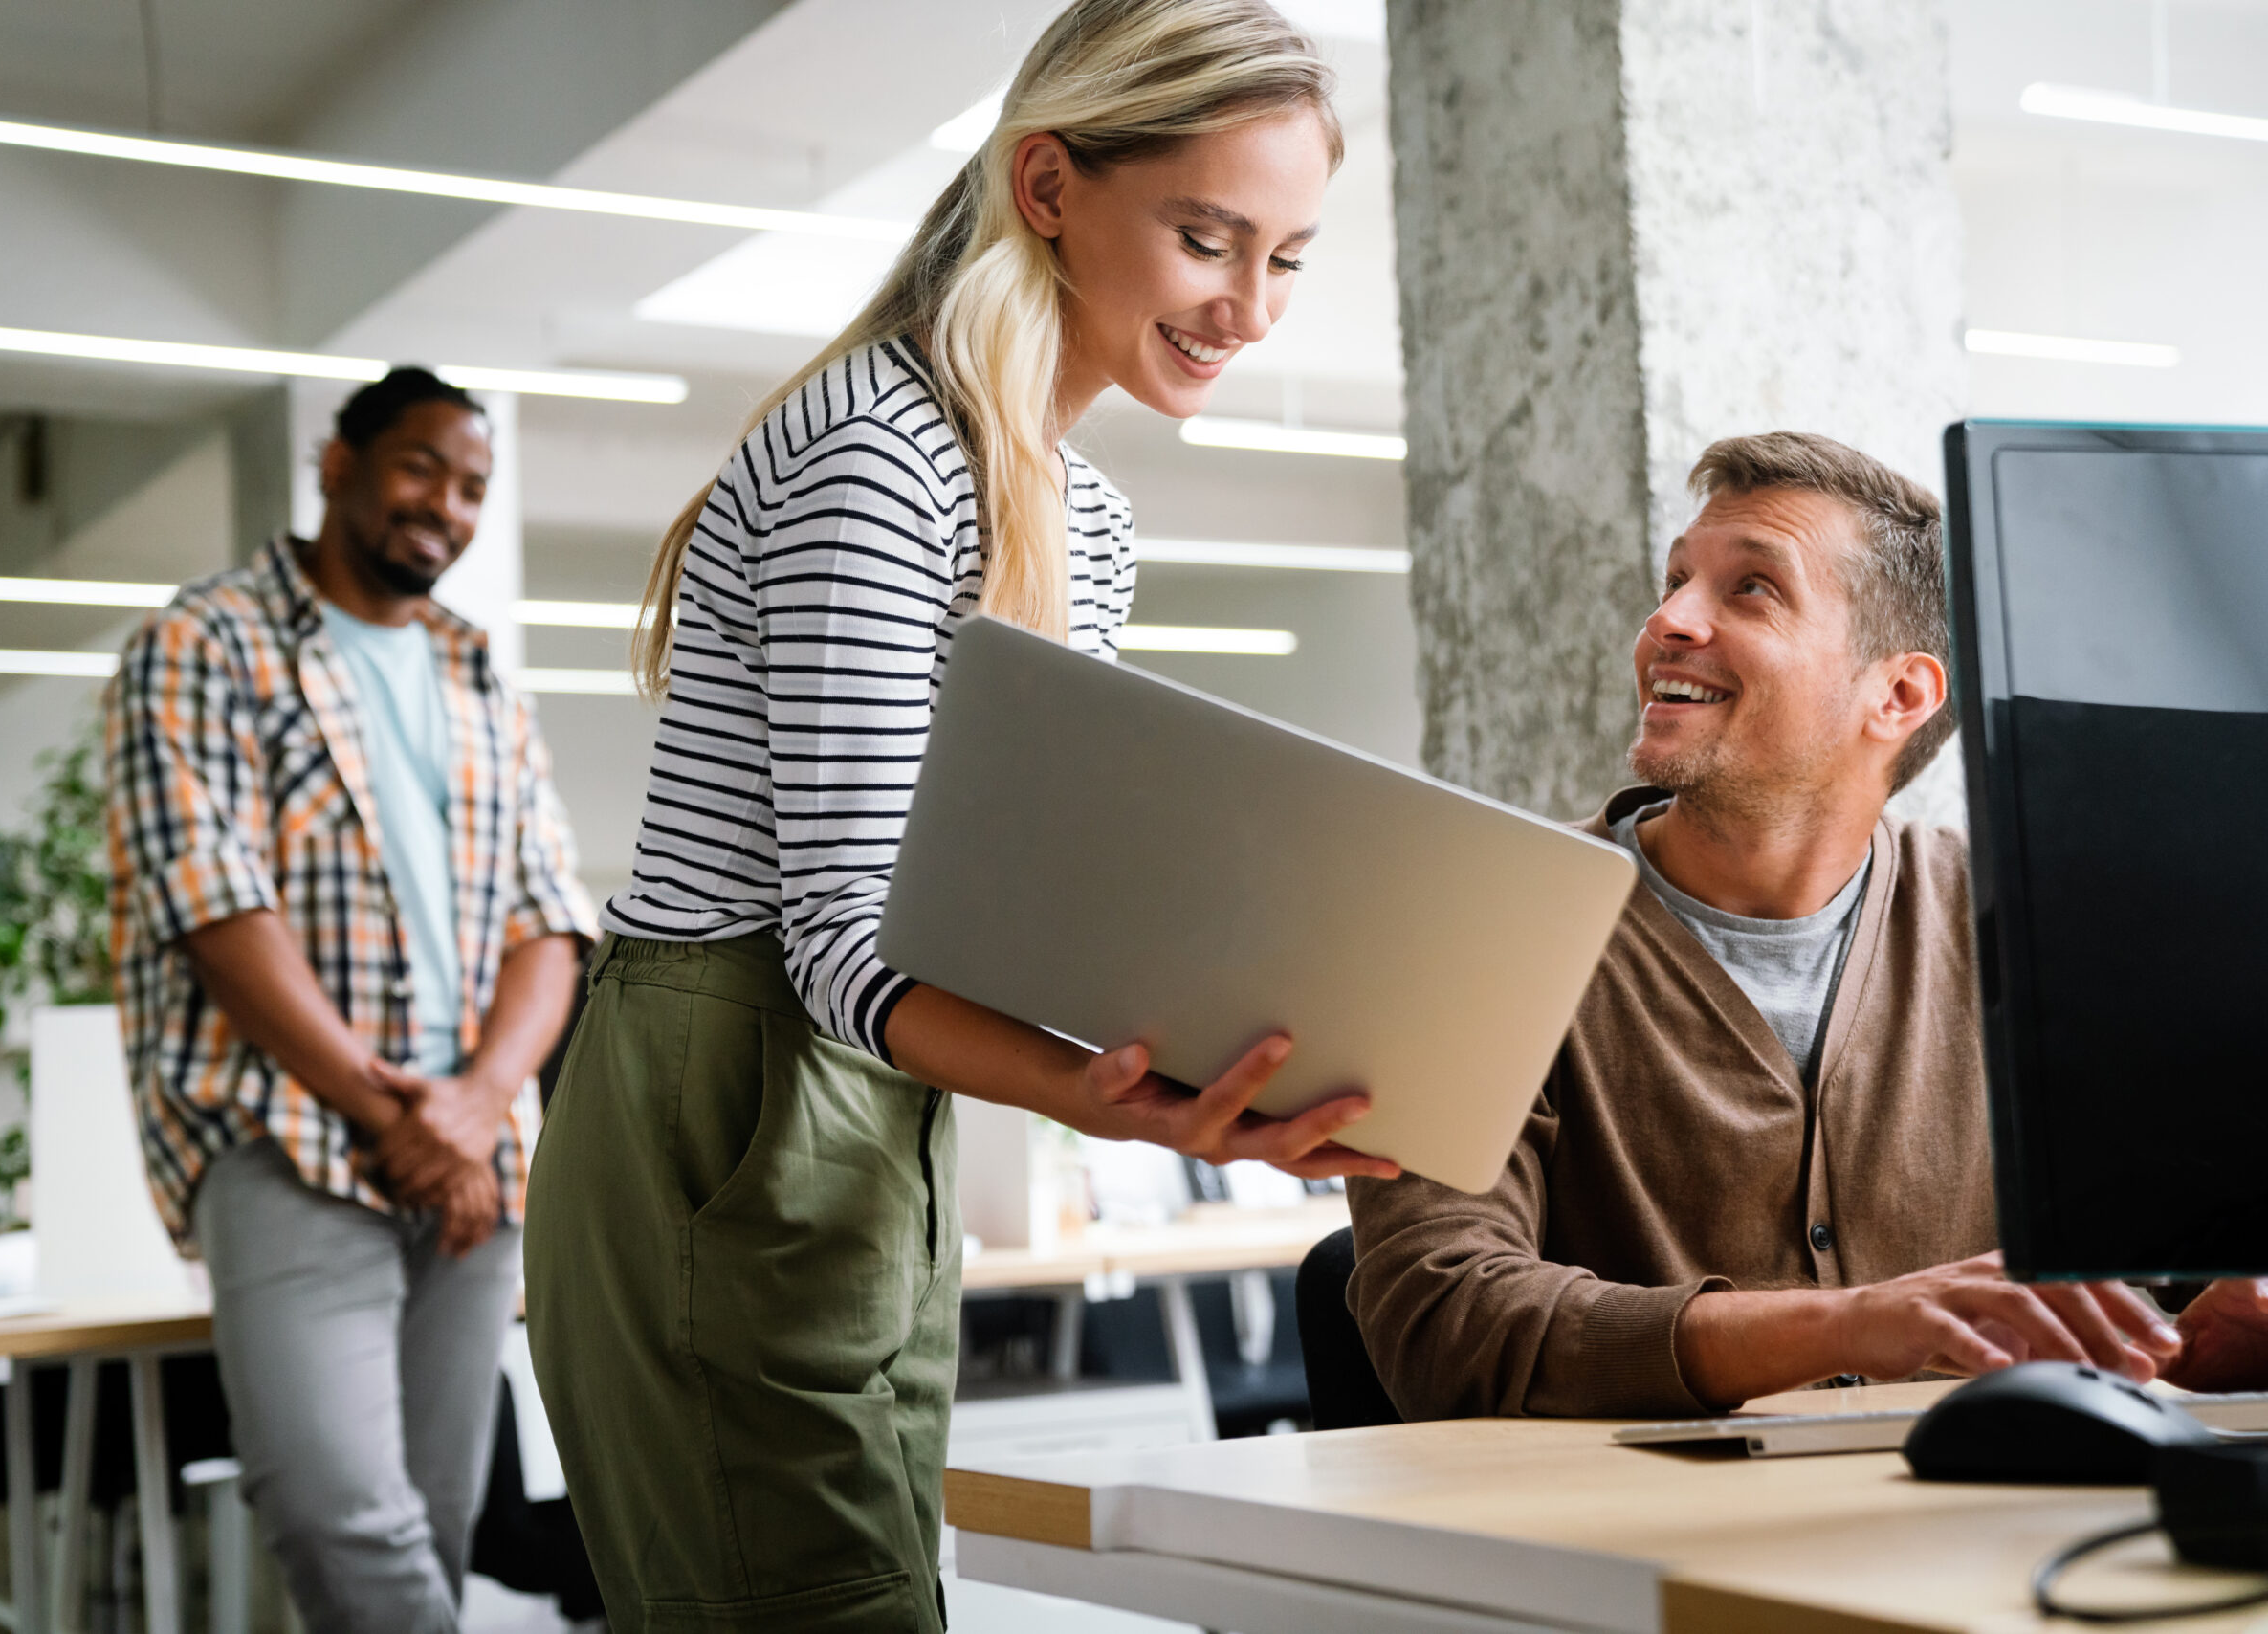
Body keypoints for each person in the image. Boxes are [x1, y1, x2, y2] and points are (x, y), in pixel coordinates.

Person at [523, 3, 1398, 1628]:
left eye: (1285, 258)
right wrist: (1119, 1103)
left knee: (873, 1587)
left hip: (877, 1109)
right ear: (1048, 187)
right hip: (732, 1089)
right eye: (1207, 238)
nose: (1249, 308)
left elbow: (1010, 901)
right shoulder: (878, 454)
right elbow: (846, 946)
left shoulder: (1082, 514)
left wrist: (1236, 1021)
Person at [1347, 431, 2185, 1420]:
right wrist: (1842, 1324)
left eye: (1750, 588)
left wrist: (2206, 1328)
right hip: (1631, 1514)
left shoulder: (2030, 922)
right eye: (1675, 580)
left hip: (1985, 1500)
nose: (1666, 619)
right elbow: (1441, 1319)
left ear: (1898, 695)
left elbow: (2161, 1264)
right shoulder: (1473, 921)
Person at [104, 367, 592, 1632]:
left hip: (474, 1164)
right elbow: (215, 909)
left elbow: (550, 920)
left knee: (435, 1518)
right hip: (291, 1135)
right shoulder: (203, 643)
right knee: (332, 1508)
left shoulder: (478, 674)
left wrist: (477, 1106)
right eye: (421, 467)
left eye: (473, 486)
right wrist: (402, 1119)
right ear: (337, 464)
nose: (448, 506)